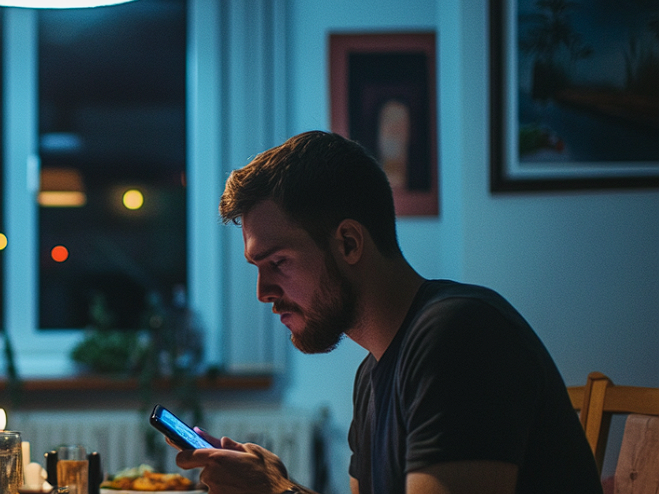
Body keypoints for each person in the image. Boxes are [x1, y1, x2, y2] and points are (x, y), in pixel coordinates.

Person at [173, 131, 601, 494]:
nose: (263, 292)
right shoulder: (374, 374)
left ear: (349, 244)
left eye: (278, 263)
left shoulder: (460, 336)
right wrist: (273, 487)